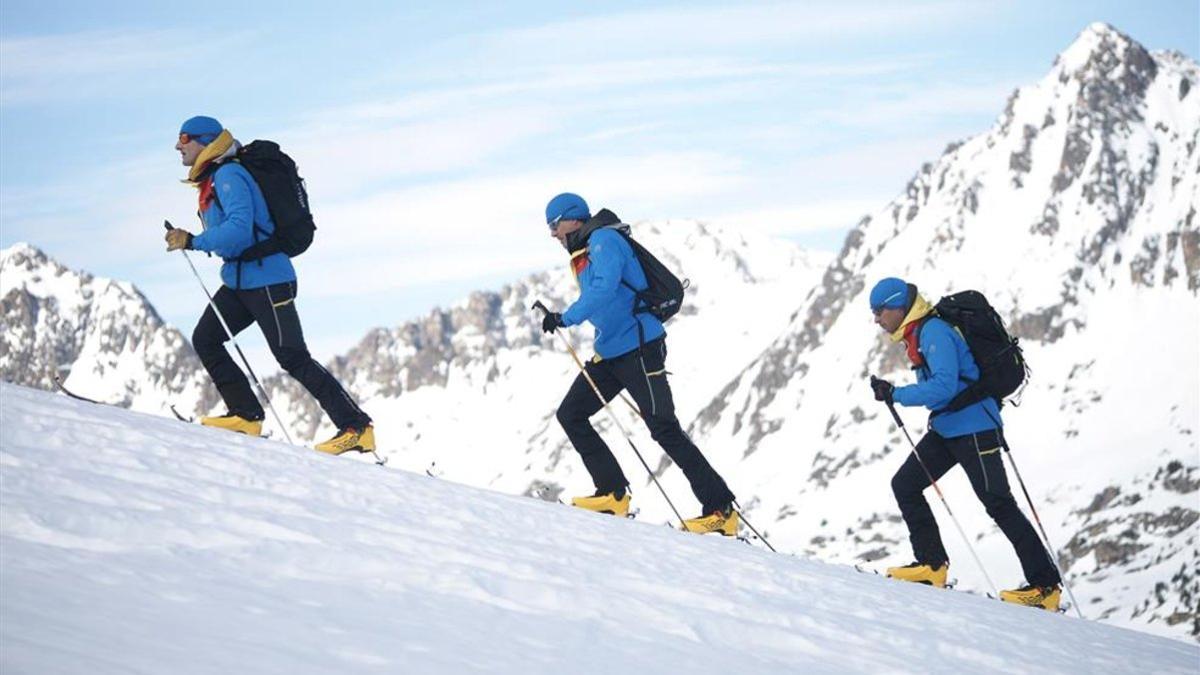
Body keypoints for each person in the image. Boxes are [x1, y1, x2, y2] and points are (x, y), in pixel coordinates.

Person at [165, 115, 374, 456]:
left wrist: (193, 241)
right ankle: (246, 415)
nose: (178, 145)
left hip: (267, 280)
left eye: (184, 138)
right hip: (240, 281)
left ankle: (357, 428)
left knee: (292, 356)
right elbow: (234, 236)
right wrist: (195, 240)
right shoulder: (217, 178)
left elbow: (238, 230)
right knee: (206, 339)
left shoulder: (229, 175)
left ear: (204, 141)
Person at [540, 192, 738, 535]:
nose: (553, 234)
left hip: (640, 347)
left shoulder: (604, 240)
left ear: (572, 218)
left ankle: (721, 511)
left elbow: (603, 290)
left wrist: (565, 317)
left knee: (663, 427)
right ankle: (613, 494)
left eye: (555, 225)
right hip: (610, 352)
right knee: (571, 414)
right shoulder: (583, 250)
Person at [868, 277, 1062, 610]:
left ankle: (1045, 588)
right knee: (906, 484)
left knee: (999, 503)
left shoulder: (934, 332)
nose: (876, 319)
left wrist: (897, 394)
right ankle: (931, 566)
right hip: (949, 427)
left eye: (879, 311)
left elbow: (943, 387)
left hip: (974, 427)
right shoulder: (918, 334)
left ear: (898, 306)